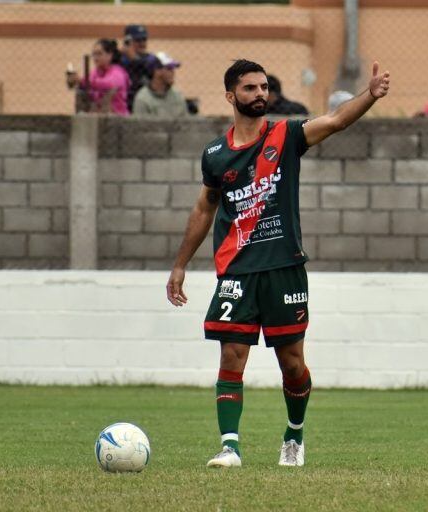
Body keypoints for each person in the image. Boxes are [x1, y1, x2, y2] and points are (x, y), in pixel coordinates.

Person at [166, 59, 389, 468]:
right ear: (231, 96)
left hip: (284, 267)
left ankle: (294, 434)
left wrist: (369, 96)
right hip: (236, 270)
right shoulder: (215, 154)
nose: (260, 94)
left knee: (292, 364)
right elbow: (204, 208)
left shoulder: (286, 135)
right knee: (231, 355)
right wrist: (180, 264)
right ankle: (230, 447)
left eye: (264, 87)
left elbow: (337, 119)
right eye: (249, 88)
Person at [67, 39, 130, 115]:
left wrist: (82, 81)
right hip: (100, 115)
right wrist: (76, 82)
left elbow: (109, 84)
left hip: (118, 117)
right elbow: (87, 84)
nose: (96, 58)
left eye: (99, 54)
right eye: (94, 54)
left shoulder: (118, 72)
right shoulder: (95, 72)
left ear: (110, 55)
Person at [132, 52, 188, 118]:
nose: (173, 72)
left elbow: (185, 124)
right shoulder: (143, 99)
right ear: (156, 71)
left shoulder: (178, 96)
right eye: (169, 68)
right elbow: (141, 127)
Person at [120, 24, 150, 113]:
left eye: (144, 40)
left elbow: (148, 71)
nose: (142, 43)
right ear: (127, 42)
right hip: (125, 105)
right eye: (138, 40)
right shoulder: (120, 60)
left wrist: (134, 59)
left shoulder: (150, 59)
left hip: (144, 103)